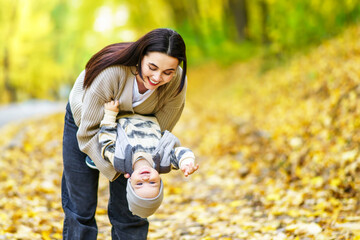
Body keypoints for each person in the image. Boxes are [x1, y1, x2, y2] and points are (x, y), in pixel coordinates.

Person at [62, 28, 189, 239]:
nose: (158, 77)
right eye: (152, 67)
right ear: (140, 57)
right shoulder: (112, 73)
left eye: (168, 72)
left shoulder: (176, 83)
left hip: (136, 138)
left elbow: (158, 133)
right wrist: (118, 165)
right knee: (80, 207)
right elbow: (88, 133)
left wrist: (140, 164)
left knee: (131, 213)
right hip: (87, 124)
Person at [85, 100, 198, 218]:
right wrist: (185, 162)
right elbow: (179, 152)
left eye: (139, 184)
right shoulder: (164, 161)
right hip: (149, 109)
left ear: (129, 180)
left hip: (122, 110)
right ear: (160, 180)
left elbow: (106, 141)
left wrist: (110, 114)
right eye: (152, 182)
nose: (145, 178)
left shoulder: (119, 160)